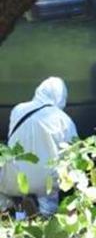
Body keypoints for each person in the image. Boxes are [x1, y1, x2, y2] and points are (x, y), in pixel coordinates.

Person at [0, 78, 78, 217]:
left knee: (5, 185)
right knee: (49, 189)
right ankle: (42, 211)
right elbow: (73, 155)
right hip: (44, 185)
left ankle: (11, 207)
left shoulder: (18, 110)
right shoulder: (64, 120)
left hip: (13, 179)